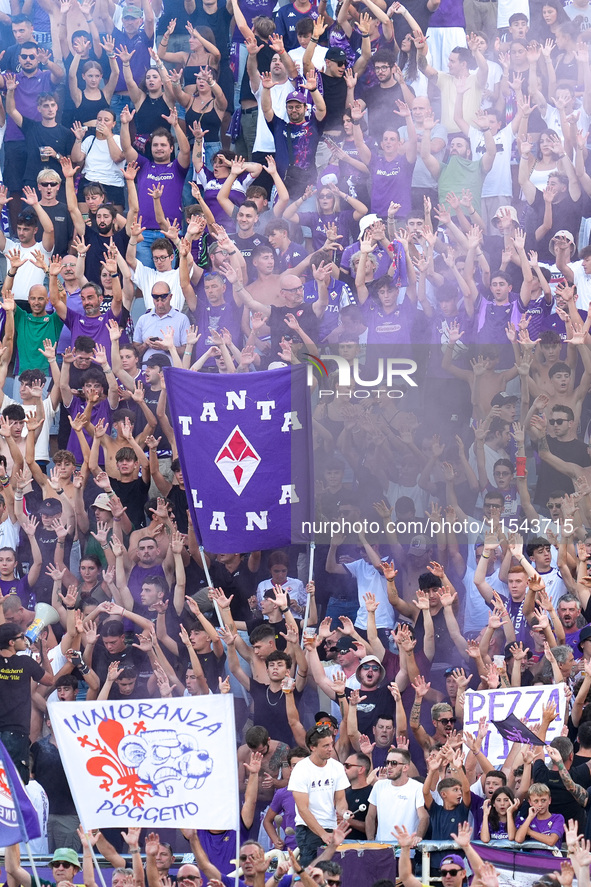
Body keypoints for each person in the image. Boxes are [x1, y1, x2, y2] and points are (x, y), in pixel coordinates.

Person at [288, 725, 350, 867]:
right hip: (308, 829)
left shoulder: (337, 767)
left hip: (331, 827)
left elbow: (340, 799)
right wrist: (322, 834)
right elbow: (303, 809)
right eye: (326, 745)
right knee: (312, 874)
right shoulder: (301, 769)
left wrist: (343, 812)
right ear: (312, 747)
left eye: (331, 744)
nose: (330, 748)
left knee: (331, 873)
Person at [0, 622, 53, 782]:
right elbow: (50, 680)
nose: (26, 640)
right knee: (16, 783)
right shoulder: (26, 663)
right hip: (17, 731)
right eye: (21, 637)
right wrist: (43, 653)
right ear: (11, 642)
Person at [366, 747, 428, 844]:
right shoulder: (378, 786)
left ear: (405, 767)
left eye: (394, 763)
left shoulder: (417, 787)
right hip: (381, 848)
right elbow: (370, 816)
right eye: (387, 763)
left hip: (407, 849)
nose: (389, 766)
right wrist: (370, 841)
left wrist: (418, 837)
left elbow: (424, 817)